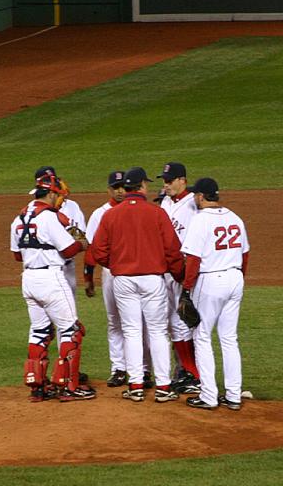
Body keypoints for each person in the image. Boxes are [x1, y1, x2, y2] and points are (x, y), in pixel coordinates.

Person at [91, 167, 184, 403]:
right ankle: (163, 386)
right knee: (157, 331)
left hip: (122, 280)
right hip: (153, 279)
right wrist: (179, 275)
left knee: (130, 330)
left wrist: (117, 265)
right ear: (141, 186)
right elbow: (173, 250)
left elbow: (98, 251)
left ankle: (135, 385)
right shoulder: (156, 213)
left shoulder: (110, 215)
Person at [10, 174, 96, 403]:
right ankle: (69, 386)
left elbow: (17, 255)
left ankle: (38, 387)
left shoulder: (18, 218)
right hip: (51, 279)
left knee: (39, 331)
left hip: (28, 279)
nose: (59, 200)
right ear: (50, 193)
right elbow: (68, 251)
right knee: (72, 330)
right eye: (58, 196)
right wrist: (81, 244)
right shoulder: (49, 218)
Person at [181, 178, 250, 411]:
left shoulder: (200, 221)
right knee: (229, 338)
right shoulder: (235, 218)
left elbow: (193, 260)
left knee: (201, 336)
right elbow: (245, 255)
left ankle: (209, 396)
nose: (193, 198)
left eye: (194, 195)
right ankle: (233, 395)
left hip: (210, 280)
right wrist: (239, 281)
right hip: (235, 277)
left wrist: (186, 289)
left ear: (201, 196)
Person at [156, 161, 201, 394]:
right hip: (166, 270)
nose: (166, 184)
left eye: (170, 180)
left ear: (182, 180)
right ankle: (186, 371)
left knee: (187, 322)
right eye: (164, 180)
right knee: (174, 323)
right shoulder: (164, 201)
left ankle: (194, 374)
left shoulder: (194, 203)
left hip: (185, 270)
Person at [84, 170, 128, 386]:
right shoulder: (99, 213)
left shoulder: (135, 210)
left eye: (123, 186)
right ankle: (119, 368)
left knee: (141, 322)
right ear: (109, 189)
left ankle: (144, 370)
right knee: (115, 321)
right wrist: (88, 278)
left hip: (135, 270)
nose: (120, 191)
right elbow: (91, 248)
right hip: (110, 271)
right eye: (115, 187)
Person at [32, 166, 86, 298]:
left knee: (68, 313)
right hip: (42, 270)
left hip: (67, 268)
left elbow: (81, 238)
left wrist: (71, 233)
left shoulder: (72, 206)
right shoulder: (32, 211)